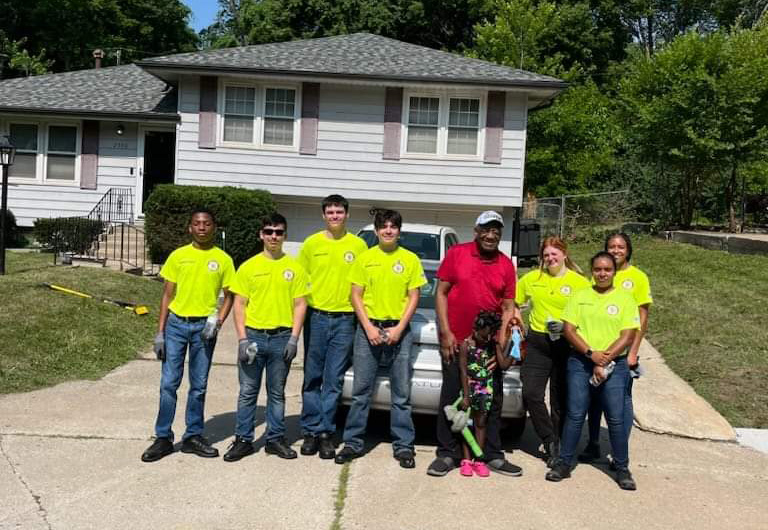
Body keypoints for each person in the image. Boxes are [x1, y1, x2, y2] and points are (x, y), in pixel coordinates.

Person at [427, 210, 523, 478]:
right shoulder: (457, 254)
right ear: (476, 230)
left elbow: (507, 308)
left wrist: (501, 347)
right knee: (452, 397)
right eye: (486, 229)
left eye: (496, 231)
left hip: (488, 347)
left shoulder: (505, 265)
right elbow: (441, 293)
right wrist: (445, 333)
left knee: (491, 402)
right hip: (456, 343)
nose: (491, 235)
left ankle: (491, 454)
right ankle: (447, 454)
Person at [334, 209, 426, 469]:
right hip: (368, 331)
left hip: (400, 331)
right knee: (361, 392)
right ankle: (352, 442)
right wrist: (368, 328)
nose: (388, 230)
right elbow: (356, 296)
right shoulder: (365, 259)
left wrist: (399, 328)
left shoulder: (409, 260)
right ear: (376, 231)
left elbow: (414, 297)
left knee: (401, 393)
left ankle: (404, 446)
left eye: (393, 227)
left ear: (399, 231)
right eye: (383, 226)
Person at [141, 209, 235, 463]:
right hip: (176, 326)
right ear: (190, 228)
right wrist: (160, 332)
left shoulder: (223, 259)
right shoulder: (178, 256)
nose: (202, 227)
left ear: (214, 227)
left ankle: (193, 436)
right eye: (197, 223)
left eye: (206, 223)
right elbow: (167, 296)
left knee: (199, 385)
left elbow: (229, 296)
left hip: (203, 330)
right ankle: (163, 437)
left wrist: (217, 322)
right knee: (169, 383)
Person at [546, 252, 640, 490]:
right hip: (580, 362)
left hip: (614, 365)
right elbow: (569, 329)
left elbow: (628, 334)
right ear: (592, 271)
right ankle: (564, 462)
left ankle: (622, 467)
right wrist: (591, 354)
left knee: (616, 418)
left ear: (614, 272)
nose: (602, 273)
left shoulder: (625, 299)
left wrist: (604, 358)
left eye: (607, 269)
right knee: (576, 414)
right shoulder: (580, 296)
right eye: (597, 269)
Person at [223, 213, 310, 462]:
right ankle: (243, 440)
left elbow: (300, 304)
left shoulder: (294, 268)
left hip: (282, 338)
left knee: (277, 392)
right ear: (261, 234)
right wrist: (241, 339)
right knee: (248, 391)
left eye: (279, 232)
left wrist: (294, 338)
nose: (274, 236)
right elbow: (239, 304)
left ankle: (275, 439)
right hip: (253, 338)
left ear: (284, 235)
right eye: (269, 231)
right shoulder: (249, 267)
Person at [298, 195, 368, 460]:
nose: (335, 216)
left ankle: (326, 432)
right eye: (330, 212)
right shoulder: (311, 244)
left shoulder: (359, 246)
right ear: (323, 216)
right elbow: (300, 285)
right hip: (316, 317)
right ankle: (310, 431)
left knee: (334, 379)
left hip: (345, 320)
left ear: (347, 215)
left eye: (339, 211)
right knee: (312, 376)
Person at [515, 237, 590, 466]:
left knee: (560, 401)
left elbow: (587, 315)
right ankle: (548, 439)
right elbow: (514, 303)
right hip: (538, 343)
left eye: (554, 254)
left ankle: (558, 445)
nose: (550, 259)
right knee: (531, 394)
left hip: (566, 345)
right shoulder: (531, 279)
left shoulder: (579, 283)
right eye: (546, 255)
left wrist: (568, 328)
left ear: (564, 254)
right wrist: (519, 323)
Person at [580, 233, 652, 463]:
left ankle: (619, 449)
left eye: (620, 246)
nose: (616, 250)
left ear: (628, 250)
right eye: (611, 246)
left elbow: (642, 317)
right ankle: (593, 443)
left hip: (622, 352)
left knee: (622, 401)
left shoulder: (637, 277)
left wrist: (632, 352)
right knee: (594, 399)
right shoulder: (600, 274)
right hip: (597, 350)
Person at [458, 311, 514, 477]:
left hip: (485, 389)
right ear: (476, 329)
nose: (488, 338)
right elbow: (462, 371)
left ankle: (479, 460)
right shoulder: (466, 345)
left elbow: (503, 365)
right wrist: (466, 397)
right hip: (469, 389)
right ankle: (466, 461)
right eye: (485, 335)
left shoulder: (493, 344)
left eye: (491, 334)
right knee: (467, 425)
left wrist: (514, 348)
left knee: (481, 423)